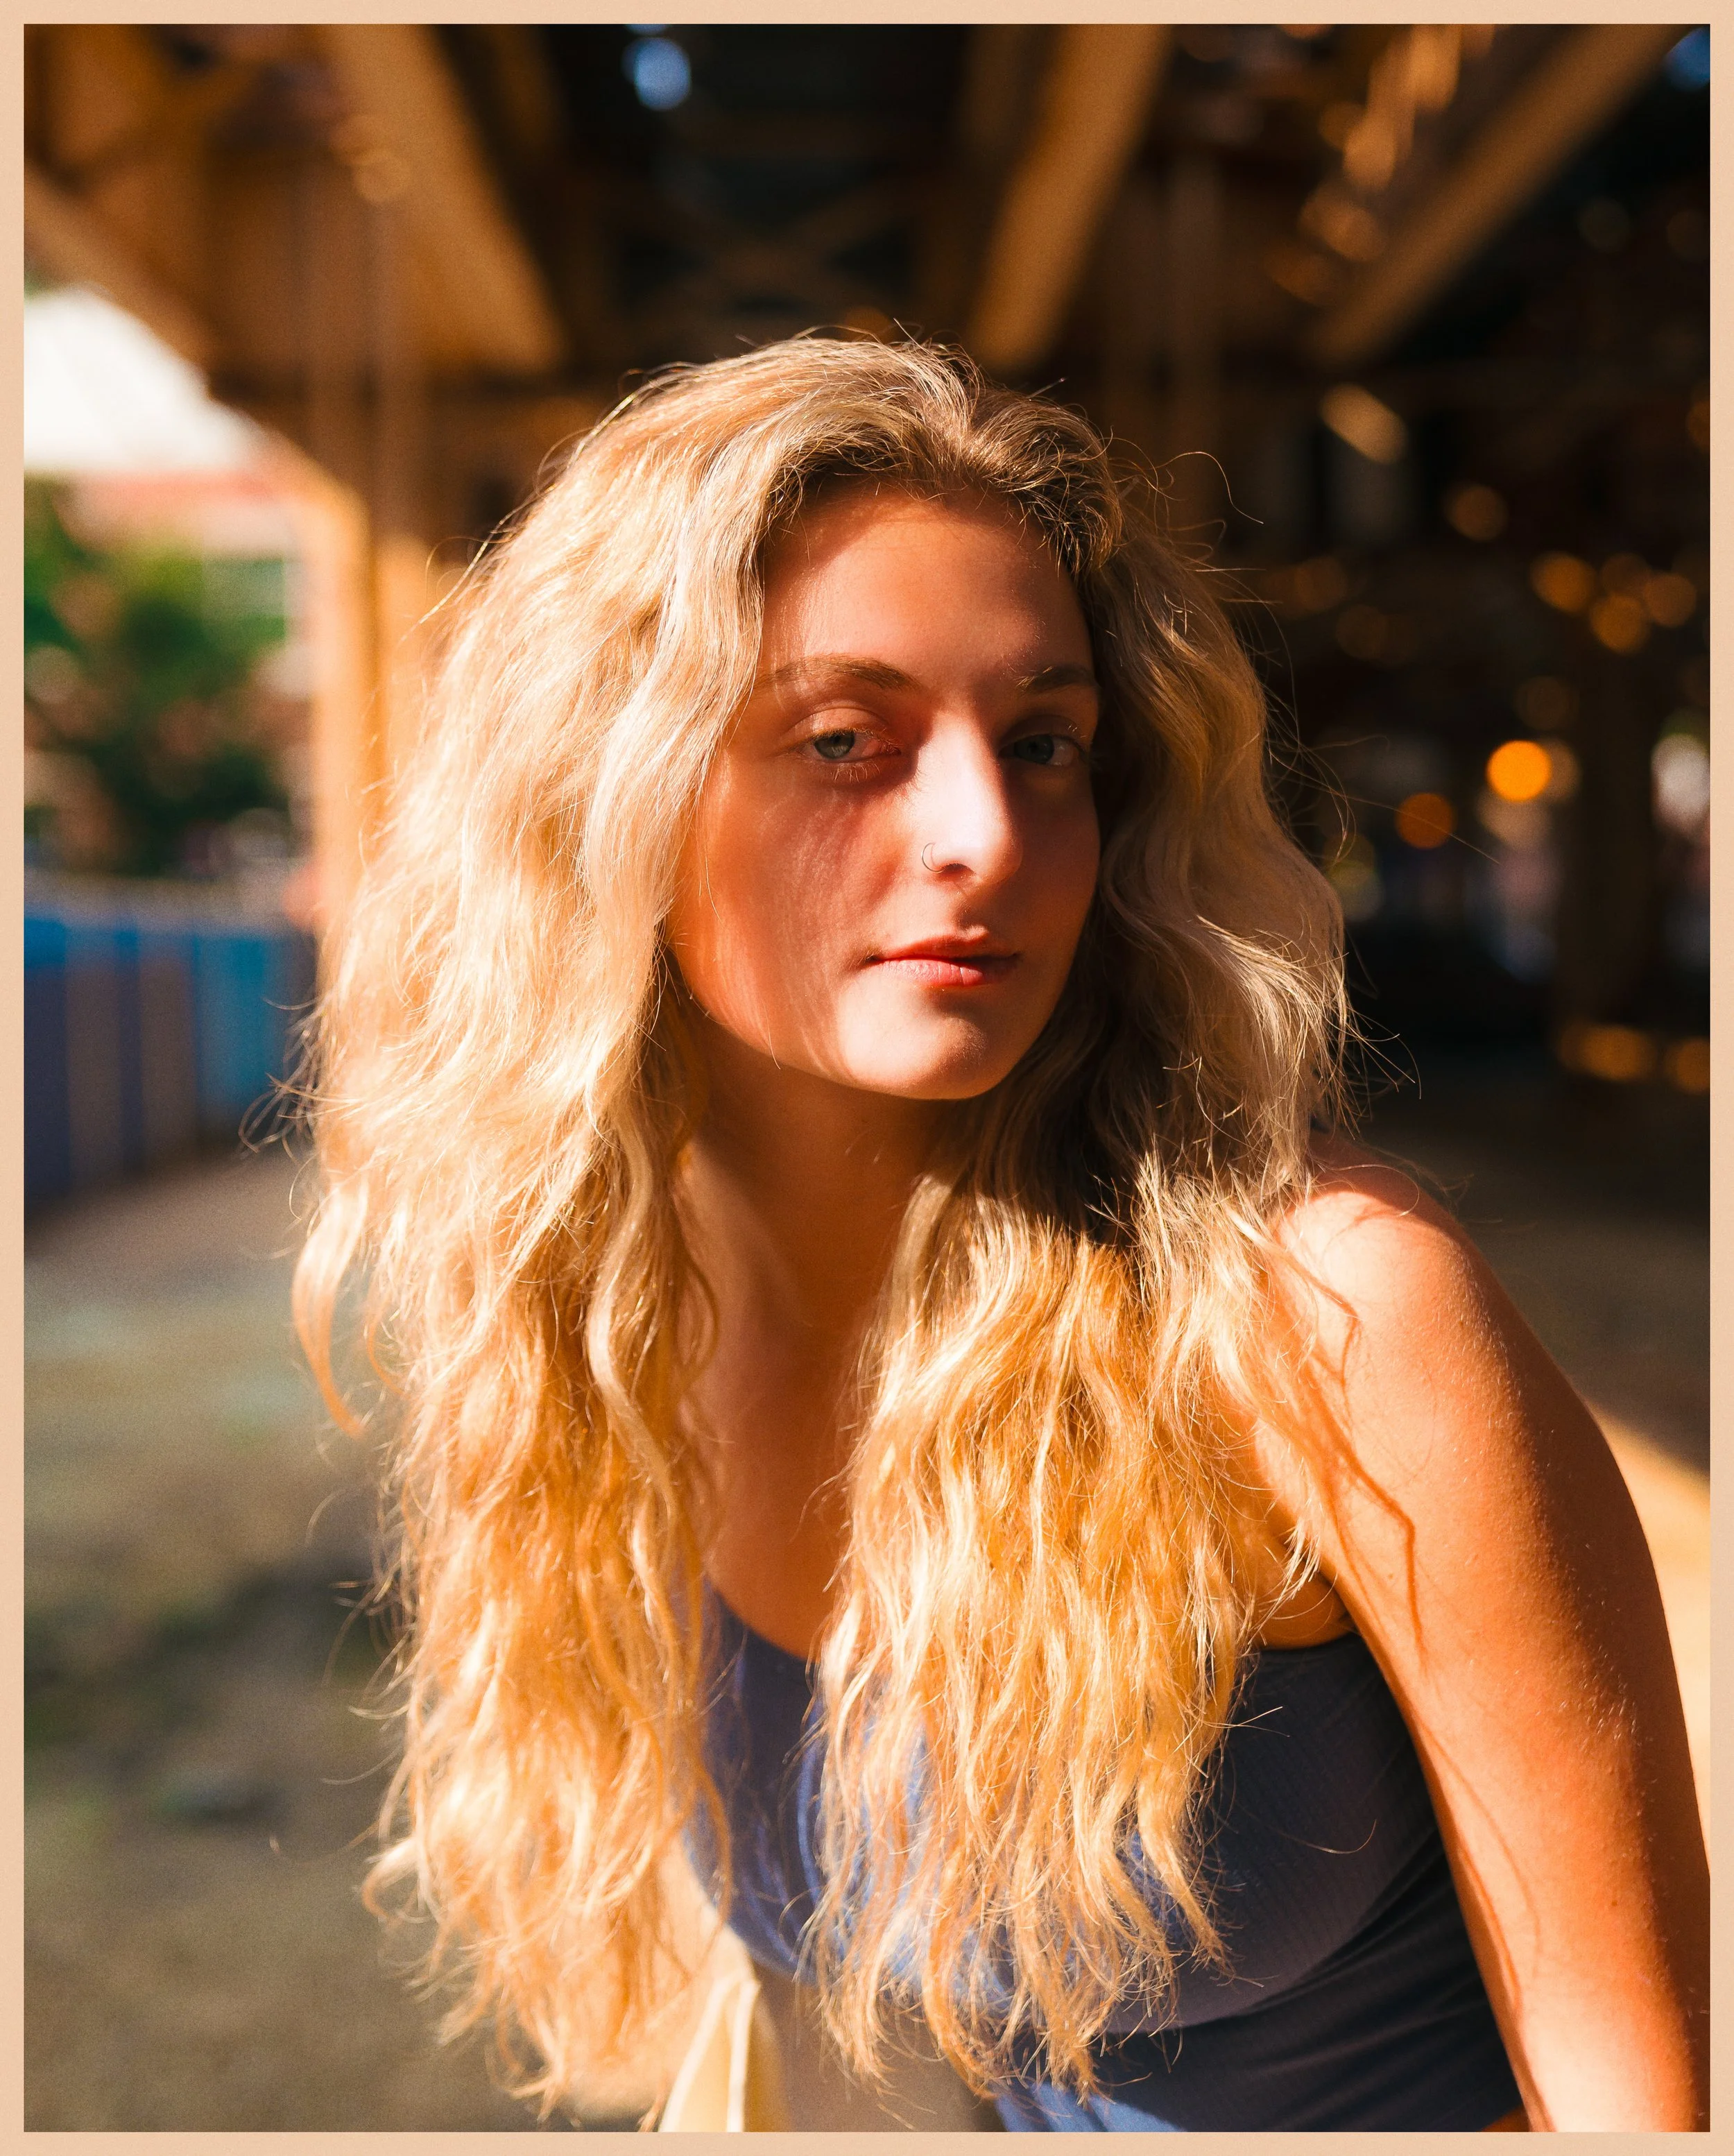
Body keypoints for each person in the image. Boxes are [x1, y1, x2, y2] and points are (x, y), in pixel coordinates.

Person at [293, 336, 1708, 2132]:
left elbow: (1638, 2104)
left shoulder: (1323, 1310)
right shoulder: (618, 1333)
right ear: (611, 800)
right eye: (844, 740)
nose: (984, 830)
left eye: (1044, 743)